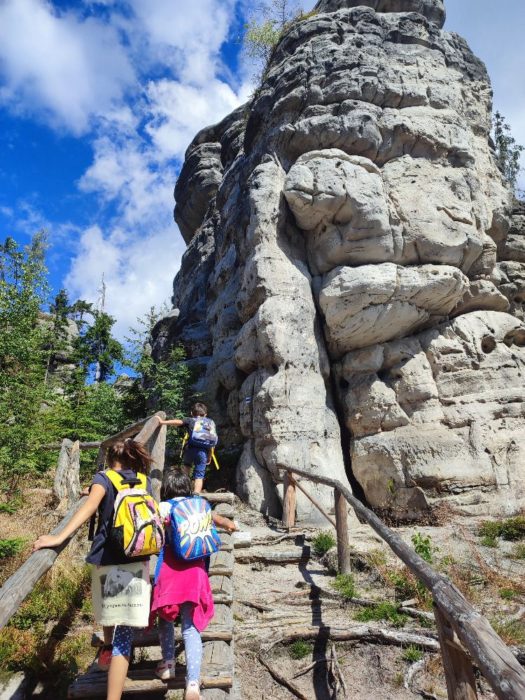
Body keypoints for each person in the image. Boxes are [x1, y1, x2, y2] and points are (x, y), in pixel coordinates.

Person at [33, 439, 158, 700]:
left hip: (111, 560)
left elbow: (90, 509)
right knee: (120, 623)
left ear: (109, 460)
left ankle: (112, 691)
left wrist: (57, 538)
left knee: (118, 626)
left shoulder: (104, 478)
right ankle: (108, 650)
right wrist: (93, 490)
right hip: (139, 558)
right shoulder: (142, 480)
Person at [151, 470, 237, 700]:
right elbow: (215, 519)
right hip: (195, 571)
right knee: (191, 627)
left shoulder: (164, 507)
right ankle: (192, 683)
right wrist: (228, 523)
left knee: (165, 618)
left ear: (166, 490)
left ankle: (168, 663)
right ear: (187, 488)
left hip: (170, 570)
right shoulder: (199, 503)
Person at [157, 403, 217, 494]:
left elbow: (178, 422)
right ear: (205, 414)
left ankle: (184, 490)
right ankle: (196, 494)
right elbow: (211, 442)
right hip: (203, 452)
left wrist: (163, 422)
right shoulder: (210, 423)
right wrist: (209, 456)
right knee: (199, 476)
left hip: (190, 450)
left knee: (185, 469)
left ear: (191, 413)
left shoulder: (191, 420)